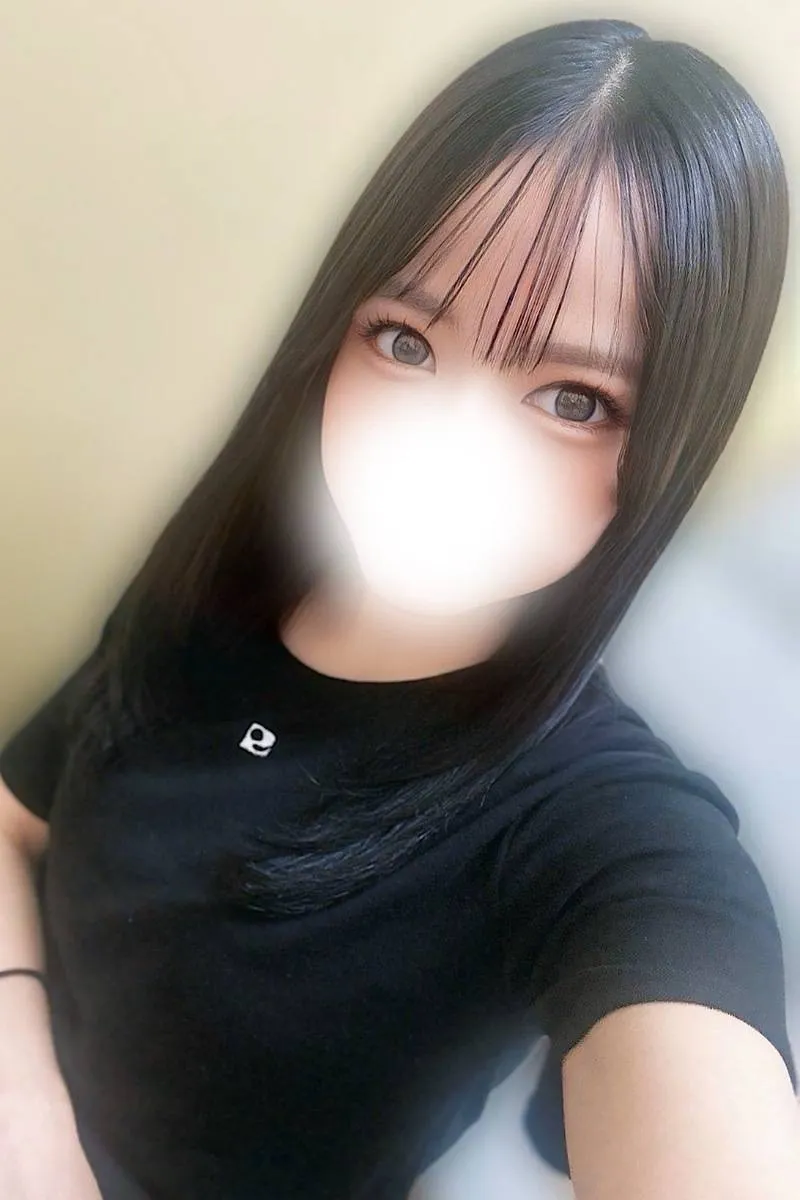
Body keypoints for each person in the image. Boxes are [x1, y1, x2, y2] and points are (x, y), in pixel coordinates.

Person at [0, 17, 797, 1200]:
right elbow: (15, 818)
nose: (449, 446)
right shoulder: (221, 585)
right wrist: (27, 1117)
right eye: (408, 341)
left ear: (664, 453)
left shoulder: (603, 830)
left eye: (572, 398)